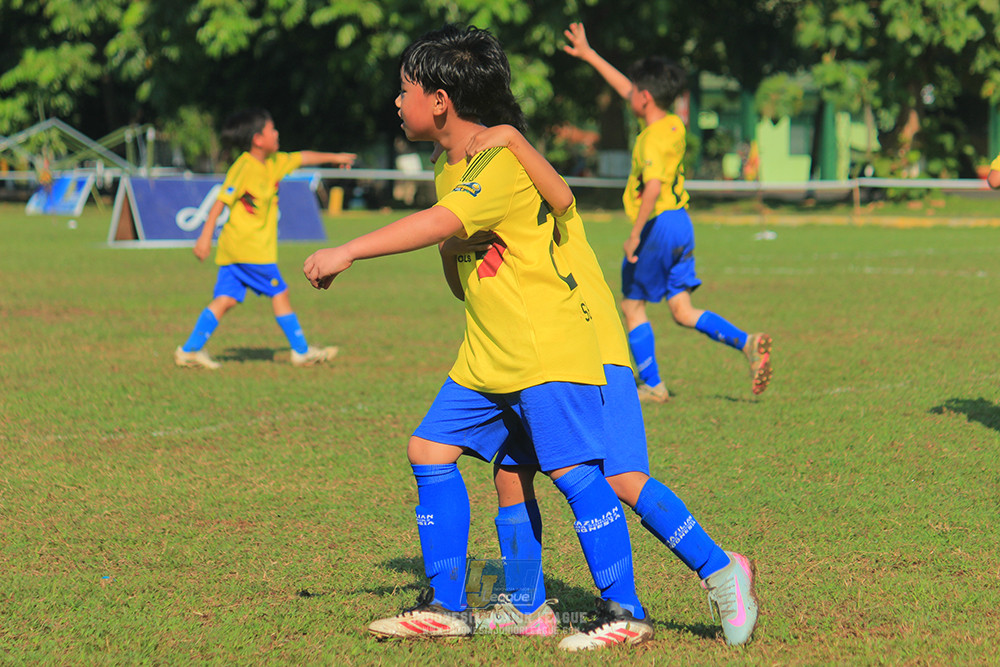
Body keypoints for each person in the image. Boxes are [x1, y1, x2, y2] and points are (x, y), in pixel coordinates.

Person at [303, 24, 652, 651]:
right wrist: (452, 248)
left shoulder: (496, 162)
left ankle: (625, 613)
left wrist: (348, 250)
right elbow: (460, 277)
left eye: (404, 90)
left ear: (439, 100)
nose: (396, 102)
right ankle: (449, 606)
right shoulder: (450, 168)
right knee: (429, 450)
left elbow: (444, 221)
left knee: (573, 472)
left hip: (540, 346)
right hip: (488, 352)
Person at [440, 124, 759, 648]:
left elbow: (560, 193)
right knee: (511, 472)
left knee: (622, 479)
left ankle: (721, 570)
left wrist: (511, 140)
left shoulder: (536, 191)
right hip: (536, 366)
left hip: (591, 354)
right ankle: (524, 604)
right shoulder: (489, 202)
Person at [563, 22, 773, 402]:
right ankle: (747, 343)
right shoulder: (674, 125)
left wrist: (634, 235)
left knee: (632, 305)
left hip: (657, 224)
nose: (629, 95)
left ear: (645, 98)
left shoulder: (649, 141)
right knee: (681, 309)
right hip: (682, 223)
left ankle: (653, 386)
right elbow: (629, 89)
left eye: (635, 92)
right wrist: (590, 54)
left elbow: (653, 187)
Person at [174, 108, 355, 370]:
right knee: (280, 292)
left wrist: (334, 157)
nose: (277, 133)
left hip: (238, 251)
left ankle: (189, 350)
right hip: (249, 250)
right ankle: (301, 351)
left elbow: (303, 157)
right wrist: (204, 237)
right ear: (258, 139)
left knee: (226, 299)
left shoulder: (275, 162)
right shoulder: (243, 167)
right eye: (272, 130)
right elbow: (220, 202)